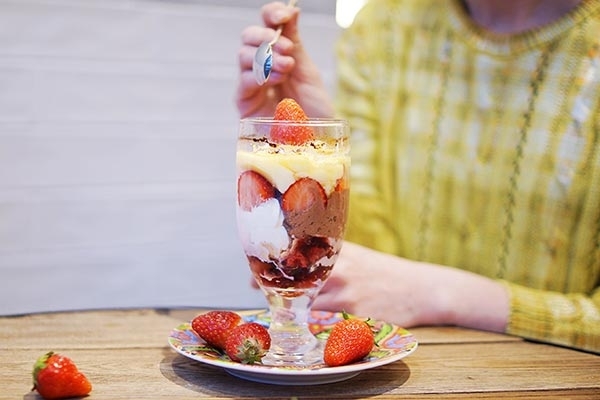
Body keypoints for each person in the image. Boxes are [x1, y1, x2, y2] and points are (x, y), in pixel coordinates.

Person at [236, 0, 600, 354]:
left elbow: (394, 287)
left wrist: (440, 294)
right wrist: (308, 157)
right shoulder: (382, 26)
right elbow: (368, 265)